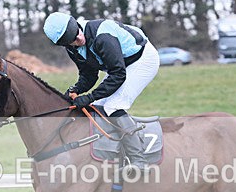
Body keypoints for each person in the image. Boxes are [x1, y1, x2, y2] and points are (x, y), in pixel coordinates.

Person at [43, 13, 159, 173]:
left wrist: (89, 97)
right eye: (73, 40)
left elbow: (118, 75)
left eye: (77, 32)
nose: (79, 39)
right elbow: (89, 75)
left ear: (77, 25)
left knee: (113, 106)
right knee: (97, 107)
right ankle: (114, 154)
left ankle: (139, 160)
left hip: (142, 60)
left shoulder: (102, 36)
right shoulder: (72, 49)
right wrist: (74, 90)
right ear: (65, 44)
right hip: (119, 65)